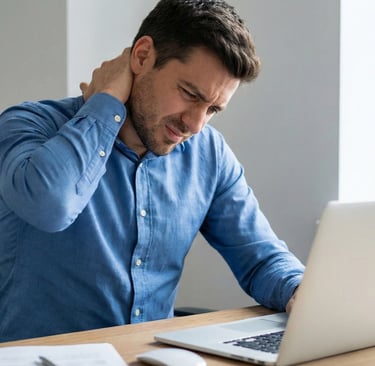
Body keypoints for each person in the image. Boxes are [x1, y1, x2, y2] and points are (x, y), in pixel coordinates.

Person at [0, 0, 304, 342]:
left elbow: (260, 256)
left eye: (213, 109)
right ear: (142, 57)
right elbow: (50, 206)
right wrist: (107, 104)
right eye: (189, 93)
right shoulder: (26, 126)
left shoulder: (208, 153)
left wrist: (302, 293)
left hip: (150, 357)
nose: (195, 123)